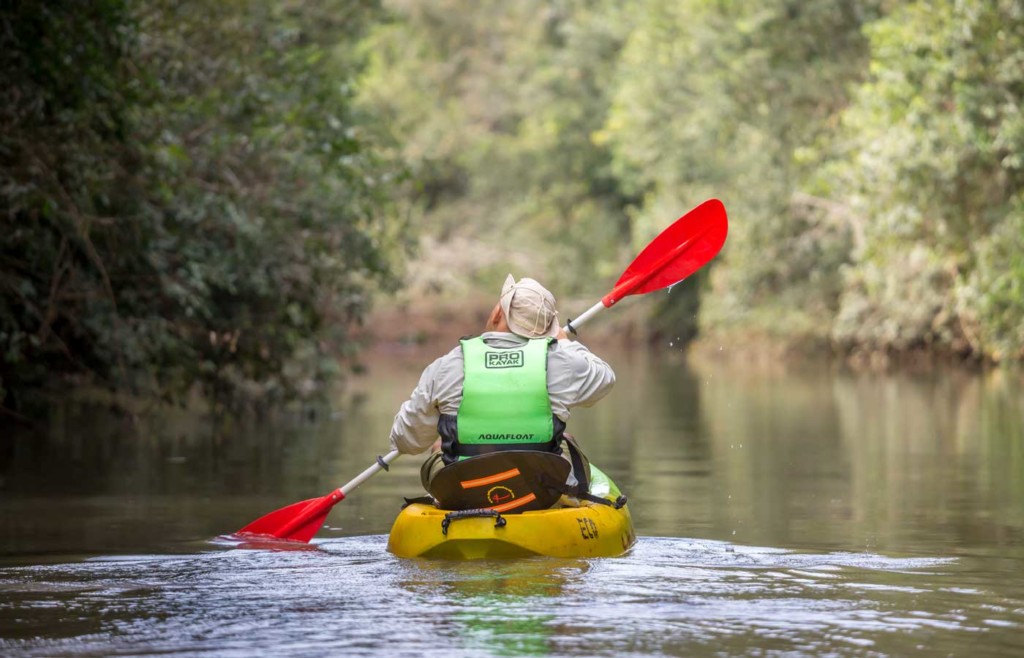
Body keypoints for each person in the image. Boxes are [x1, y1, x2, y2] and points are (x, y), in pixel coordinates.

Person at [388, 274, 616, 503]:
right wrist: (564, 342)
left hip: (463, 493)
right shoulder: (560, 363)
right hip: (539, 495)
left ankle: (446, 503)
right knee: (566, 440)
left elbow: (406, 441)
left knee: (440, 446)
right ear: (546, 331)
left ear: (498, 313)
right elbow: (605, 378)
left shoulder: (447, 366)